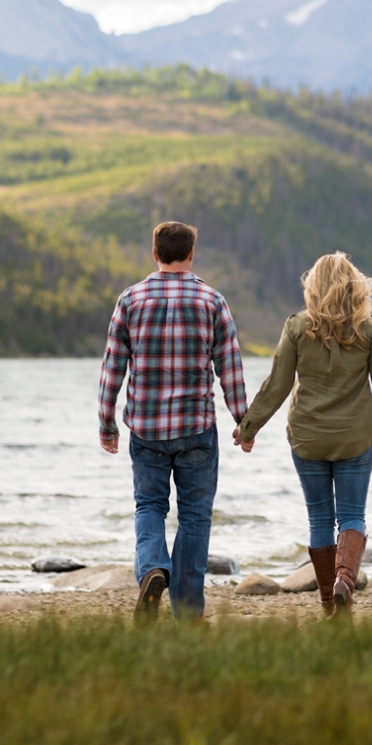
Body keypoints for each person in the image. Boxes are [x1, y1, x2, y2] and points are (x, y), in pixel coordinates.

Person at [233, 251, 372, 617]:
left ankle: (330, 606)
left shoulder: (297, 328)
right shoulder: (367, 330)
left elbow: (278, 383)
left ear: (312, 287)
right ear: (355, 287)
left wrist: (248, 427)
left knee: (319, 519)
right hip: (355, 438)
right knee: (352, 516)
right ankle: (345, 581)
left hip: (308, 437)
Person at [97, 220, 247, 623]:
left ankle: (152, 570)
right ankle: (187, 614)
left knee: (149, 505)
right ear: (191, 254)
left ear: (155, 254)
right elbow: (228, 366)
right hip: (197, 428)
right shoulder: (212, 301)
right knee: (195, 517)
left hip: (145, 428)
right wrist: (242, 420)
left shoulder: (130, 300)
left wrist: (106, 421)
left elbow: (113, 368)